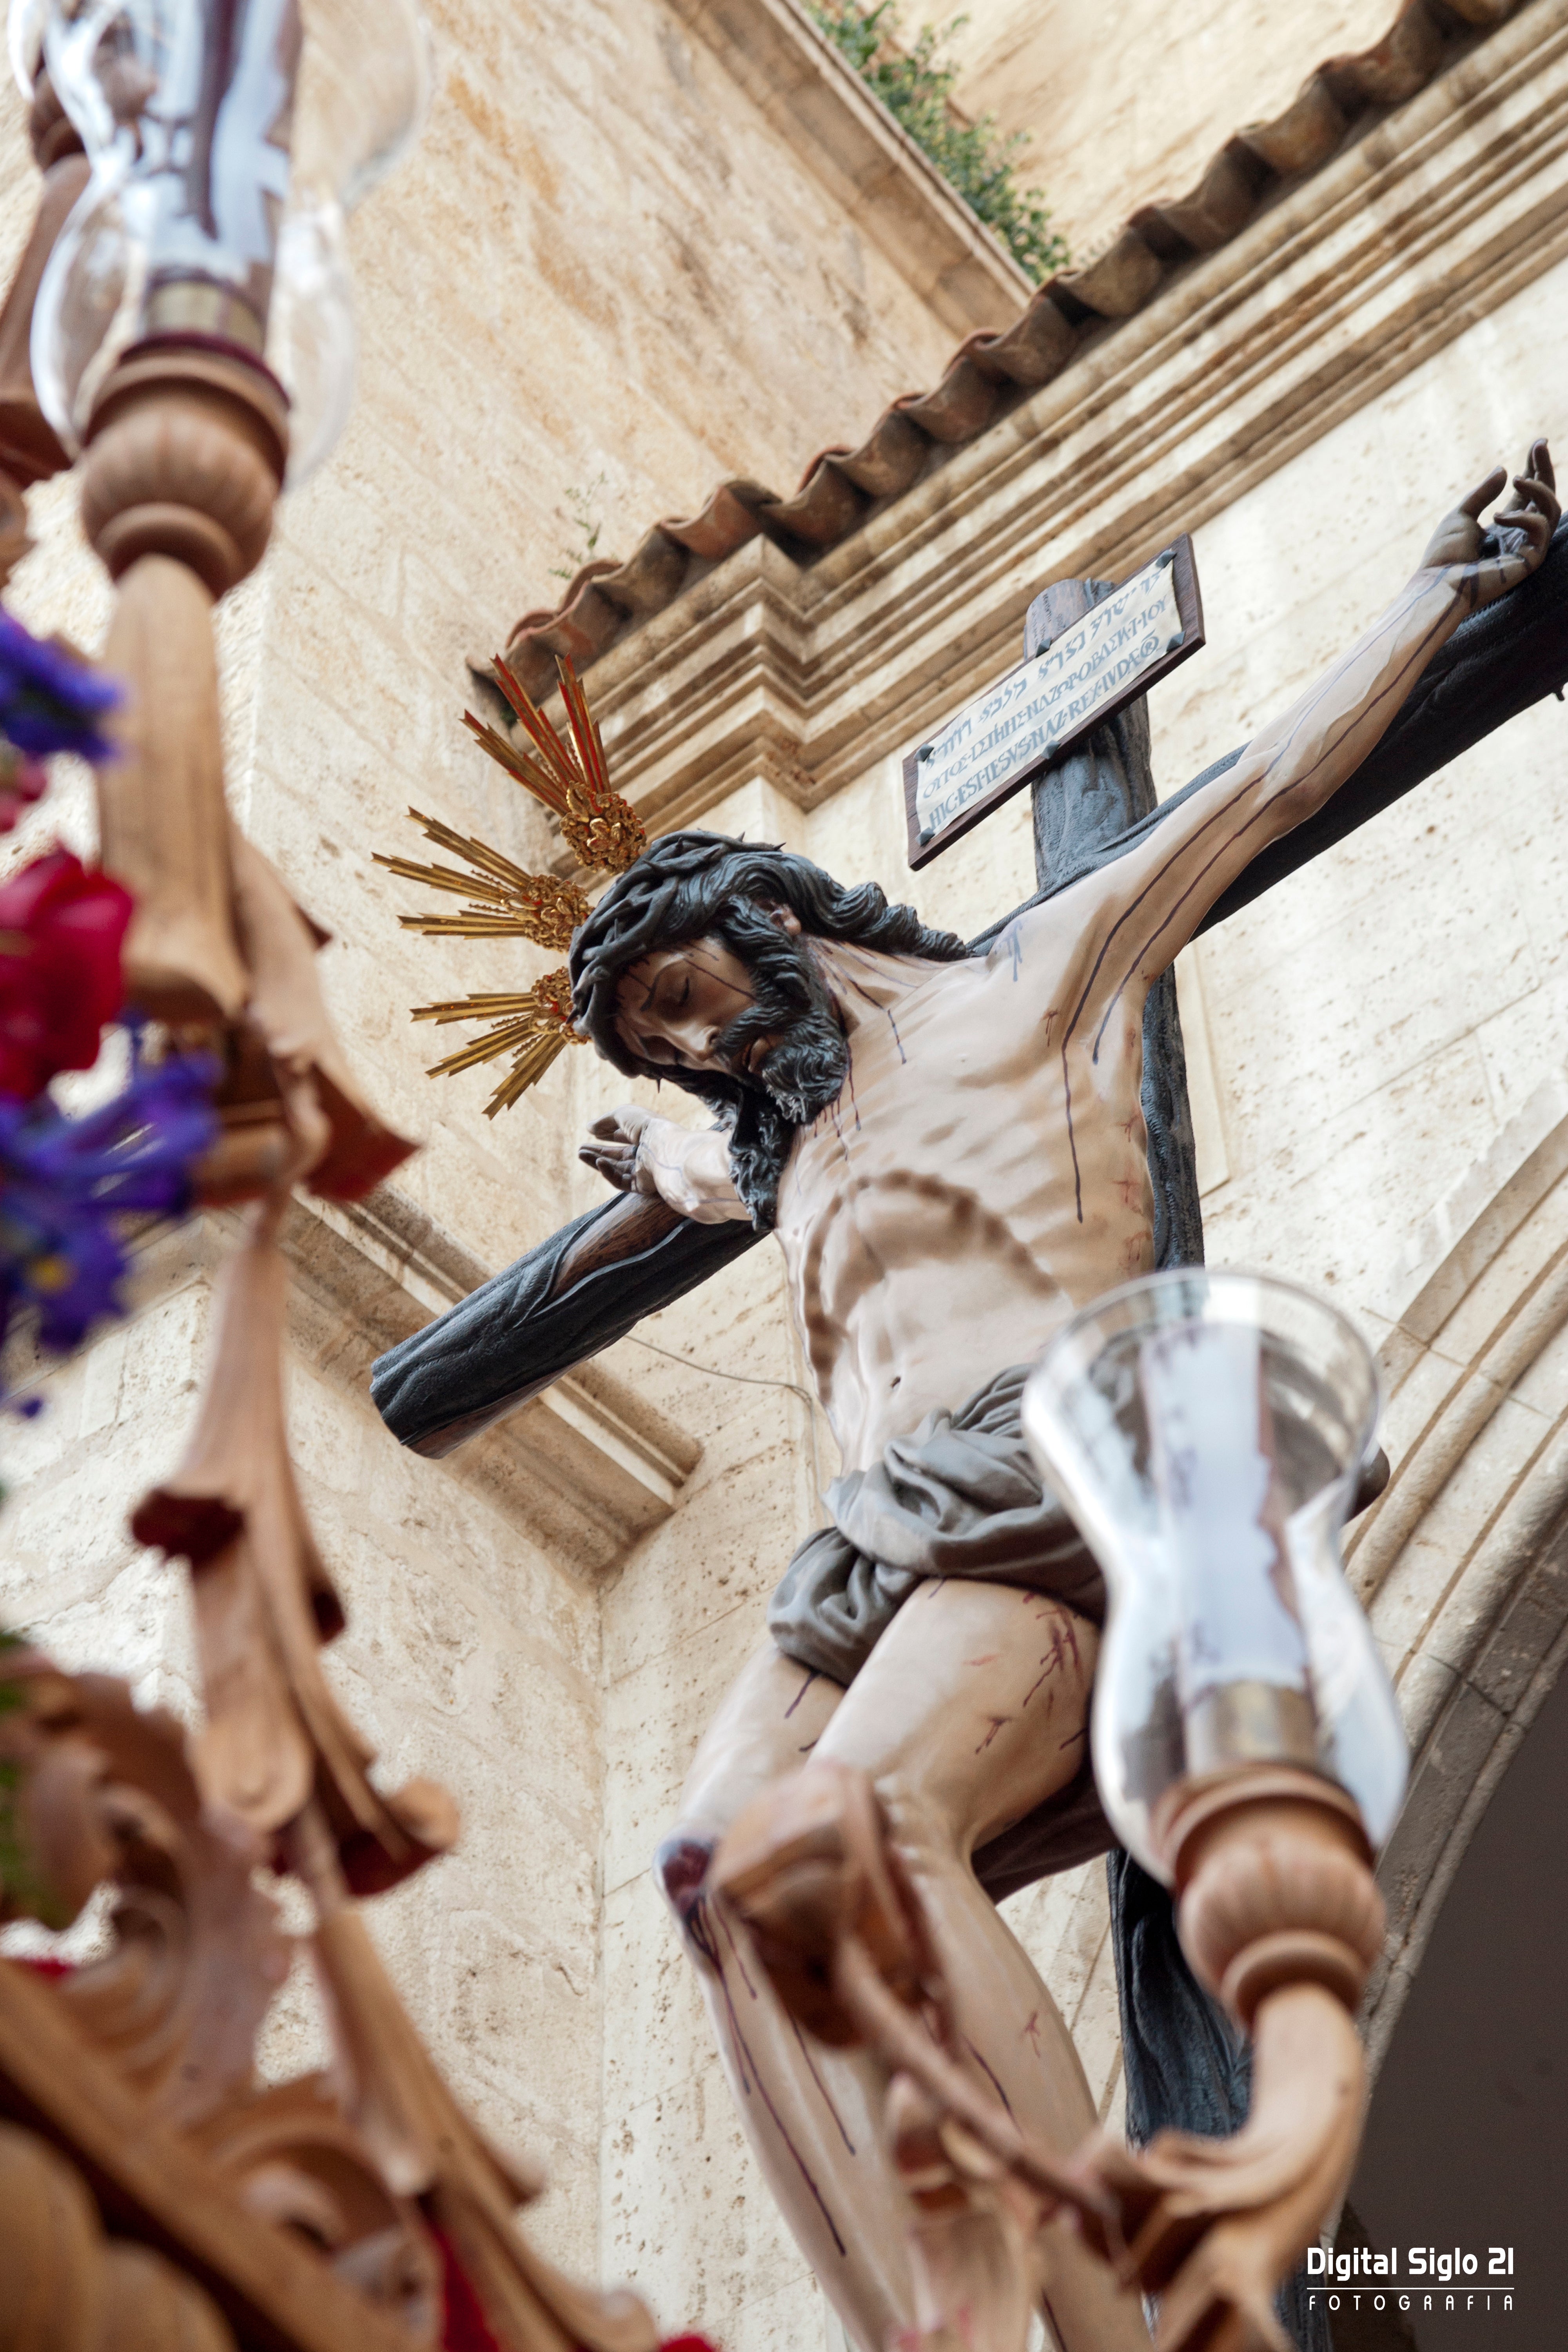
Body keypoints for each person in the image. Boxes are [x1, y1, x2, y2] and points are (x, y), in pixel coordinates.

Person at [569, 451, 1558, 2352]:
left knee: (861, 1827)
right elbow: (685, 1186)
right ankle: (929, 2327)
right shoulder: (777, 1161)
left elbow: (1256, 786)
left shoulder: (1034, 980)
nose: (693, 1046)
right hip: (869, 1539)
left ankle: (1119, 2320)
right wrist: (645, 1180)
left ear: (752, 905)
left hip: (1055, 1456)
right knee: (718, 1868)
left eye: (679, 994)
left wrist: (1437, 596)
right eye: (658, 1046)